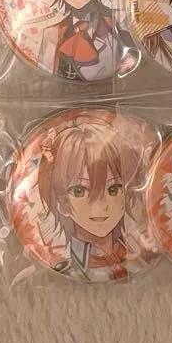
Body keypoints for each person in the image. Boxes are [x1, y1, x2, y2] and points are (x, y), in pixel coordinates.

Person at [36, 117, 143, 281]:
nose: (100, 206)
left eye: (113, 189)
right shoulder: (64, 262)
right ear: (61, 202)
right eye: (79, 191)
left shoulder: (137, 251)